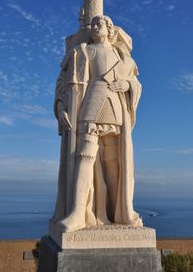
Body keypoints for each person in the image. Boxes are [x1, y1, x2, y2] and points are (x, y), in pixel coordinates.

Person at [52, 15, 142, 232]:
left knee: (113, 160)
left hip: (115, 105)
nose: (94, 28)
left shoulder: (122, 57)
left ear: (109, 29)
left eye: (99, 24)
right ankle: (77, 211)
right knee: (85, 155)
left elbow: (135, 82)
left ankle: (116, 213)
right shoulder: (83, 51)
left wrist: (127, 85)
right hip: (92, 100)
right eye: (92, 25)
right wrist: (61, 107)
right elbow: (64, 84)